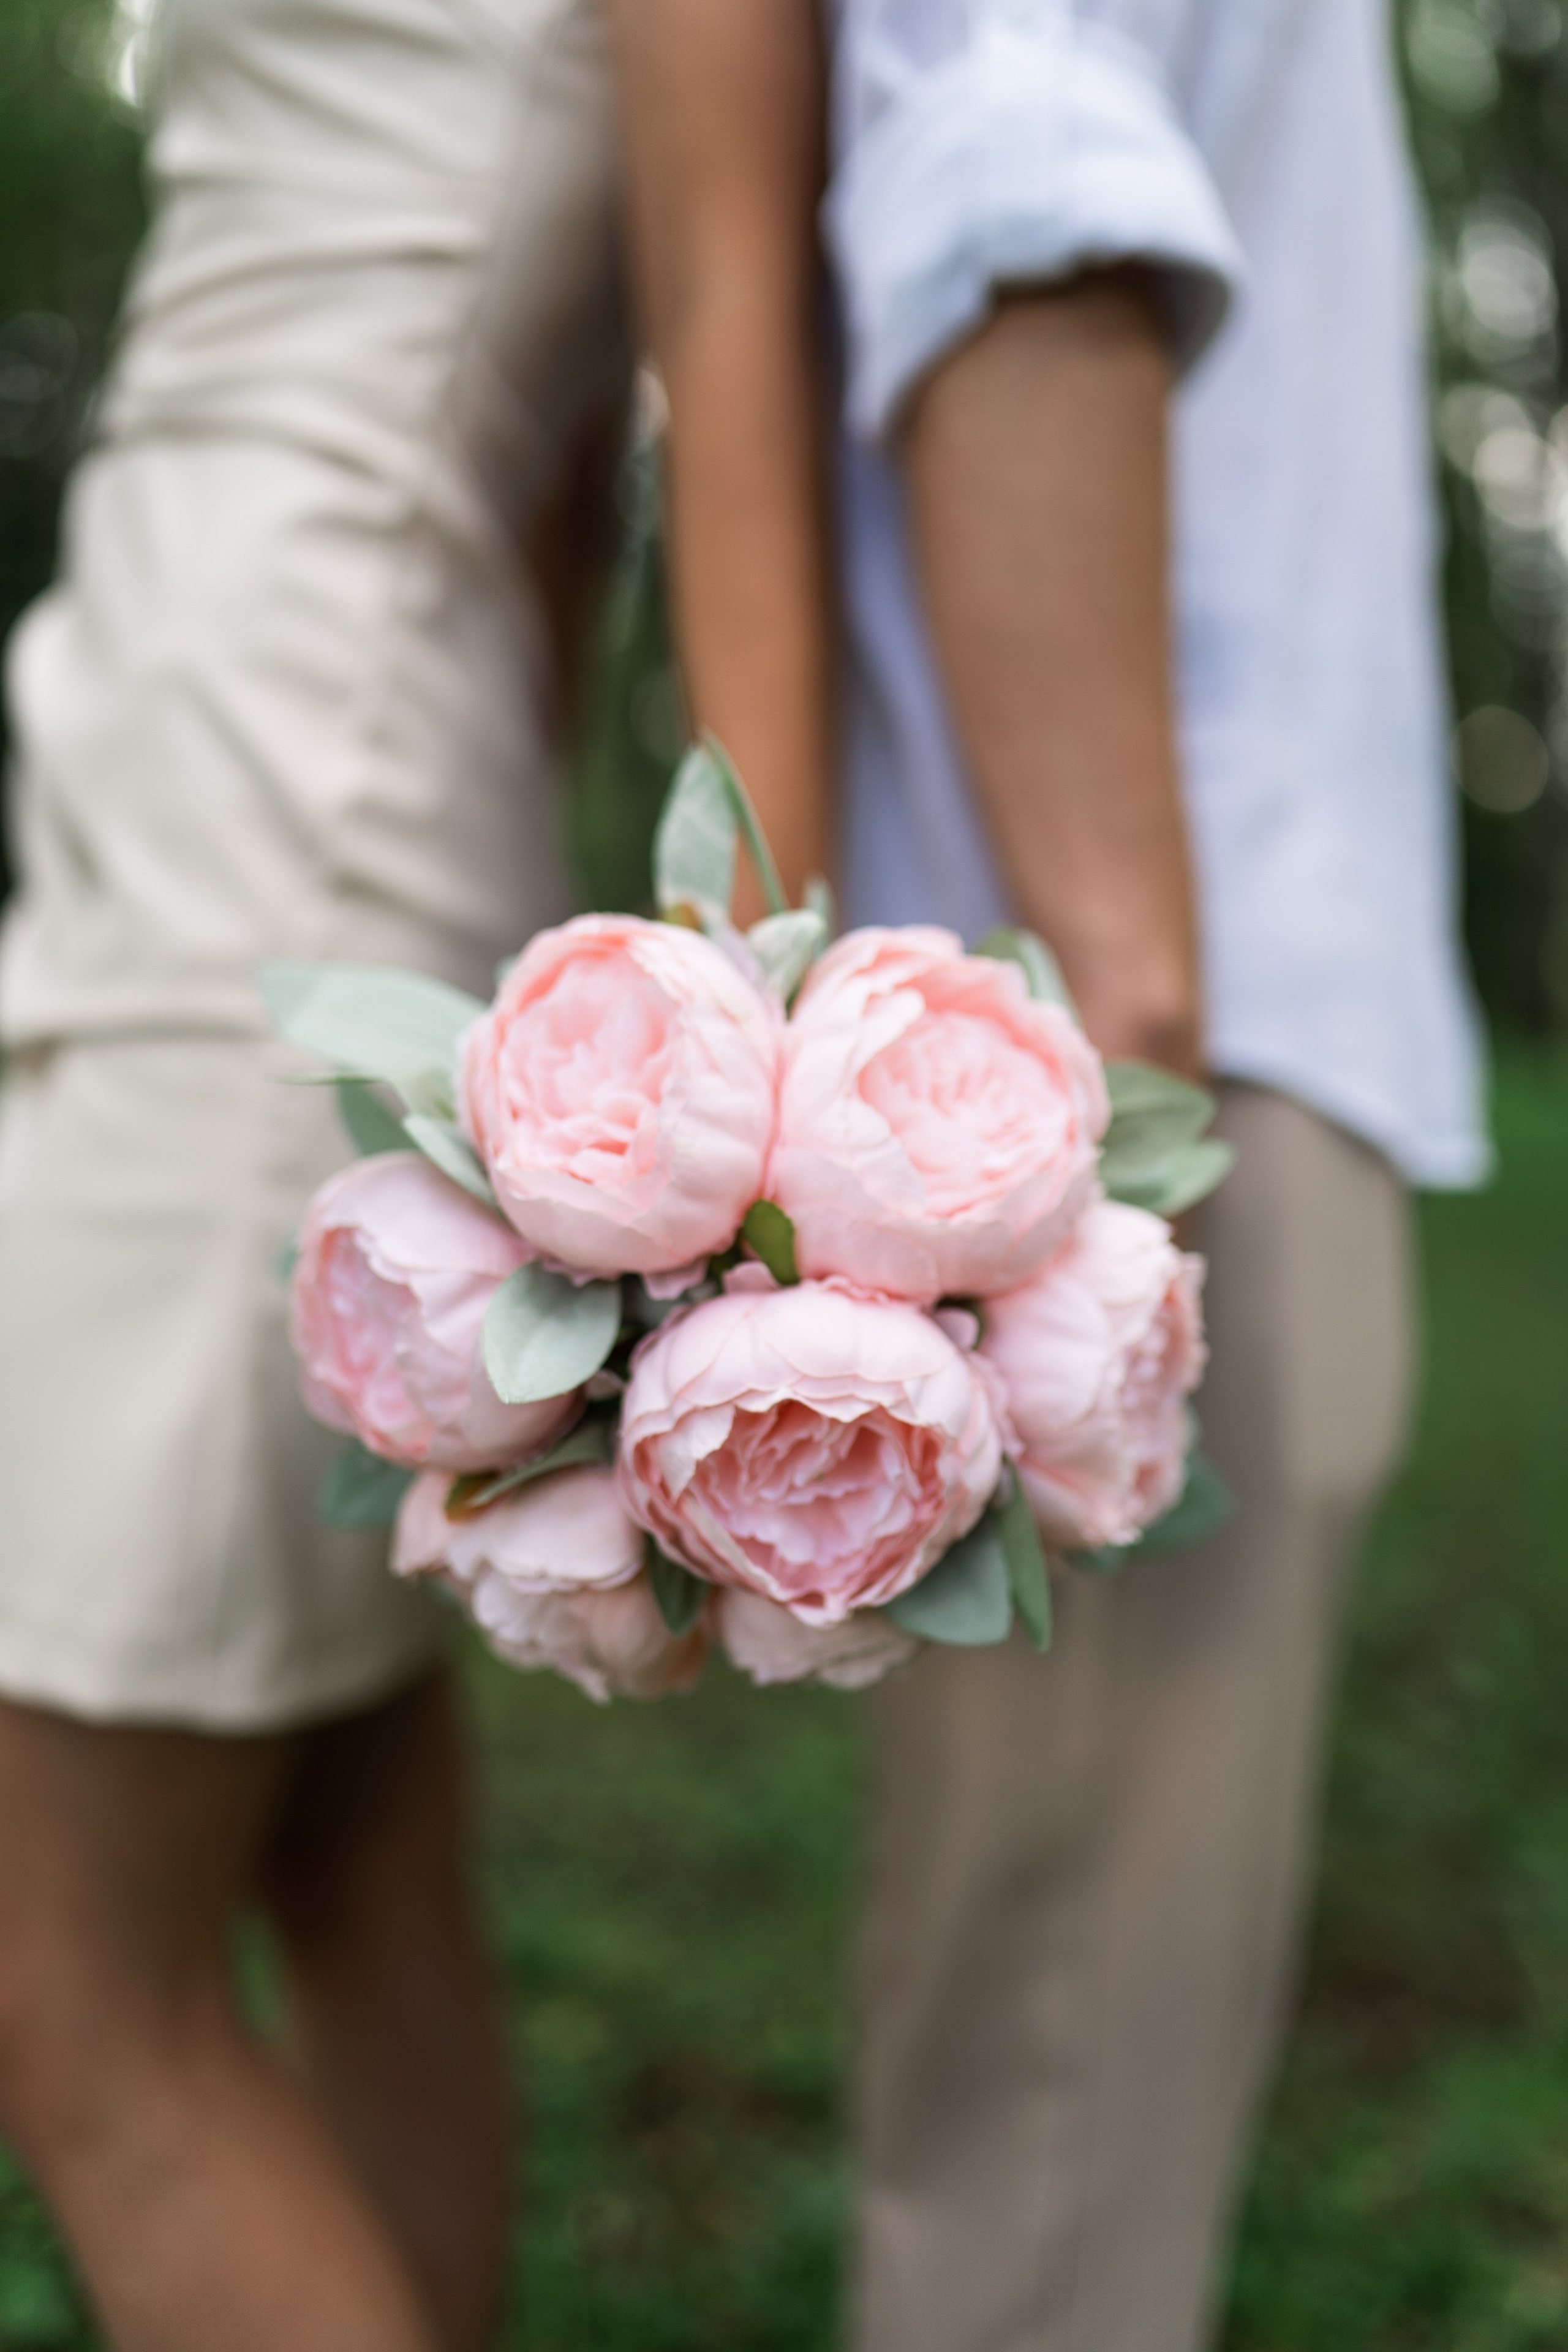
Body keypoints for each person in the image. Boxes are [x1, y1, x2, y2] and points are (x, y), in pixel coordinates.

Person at [0, 0, 826, 2341]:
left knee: (75, 2004)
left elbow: (729, 334)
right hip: (285, 785)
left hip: (254, 843)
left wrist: (767, 1066)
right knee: (351, 1863)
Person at [815, 2, 1490, 2346]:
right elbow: (1023, 191)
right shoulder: (1127, 1104)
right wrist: (1123, 1070)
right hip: (1133, 1071)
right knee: (1057, 2124)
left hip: (1179, 1018)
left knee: (1081, 2081)